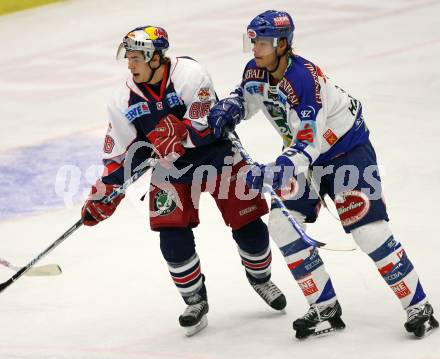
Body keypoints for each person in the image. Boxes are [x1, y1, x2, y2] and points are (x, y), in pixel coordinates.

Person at [207, 10, 438, 339]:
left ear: (283, 44)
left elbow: (307, 144)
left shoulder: (304, 80)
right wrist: (231, 106)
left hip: (346, 153)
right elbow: (246, 96)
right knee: (282, 226)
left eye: (263, 41)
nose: (255, 47)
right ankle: (324, 307)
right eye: (253, 40)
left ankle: (419, 306)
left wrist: (275, 171)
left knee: (369, 231)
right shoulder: (255, 69)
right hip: (304, 160)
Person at [80, 25, 286, 336]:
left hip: (217, 155)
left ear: (154, 57)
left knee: (250, 227)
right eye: (129, 58)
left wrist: (179, 136)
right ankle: (195, 300)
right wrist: (106, 192)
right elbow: (120, 154)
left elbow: (206, 126)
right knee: (171, 236)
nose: (130, 64)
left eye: (136, 57)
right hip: (170, 168)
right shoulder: (122, 98)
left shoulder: (189, 74)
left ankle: (260, 278)